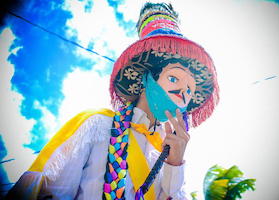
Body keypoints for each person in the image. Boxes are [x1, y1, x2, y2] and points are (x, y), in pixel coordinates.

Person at [6, 2, 219, 200]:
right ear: (146, 78)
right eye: (174, 78)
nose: (182, 91)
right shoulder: (98, 125)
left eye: (190, 89)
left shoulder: (168, 153)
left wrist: (175, 164)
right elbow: (49, 192)